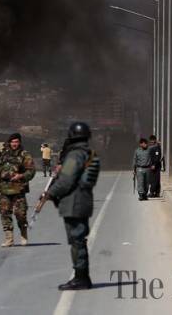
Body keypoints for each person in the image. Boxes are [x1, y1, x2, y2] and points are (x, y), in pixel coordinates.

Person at [44, 122, 99, 290]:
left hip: (74, 202)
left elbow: (67, 180)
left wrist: (50, 193)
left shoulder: (74, 155)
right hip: (83, 200)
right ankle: (82, 276)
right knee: (79, 239)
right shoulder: (90, 154)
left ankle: (81, 278)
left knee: (77, 241)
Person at [0, 134, 35, 247]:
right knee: (4, 213)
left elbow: (31, 171)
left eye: (16, 142)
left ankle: (23, 234)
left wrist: (21, 176)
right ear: (9, 142)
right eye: (12, 142)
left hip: (18, 189)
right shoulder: (4, 154)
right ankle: (9, 239)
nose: (14, 144)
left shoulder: (24, 155)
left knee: (20, 214)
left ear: (19, 142)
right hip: (4, 189)